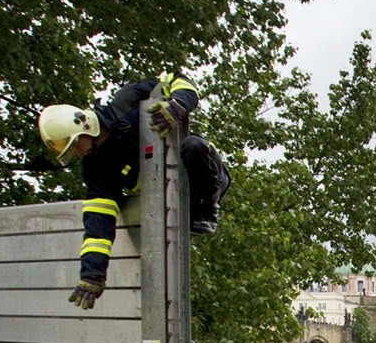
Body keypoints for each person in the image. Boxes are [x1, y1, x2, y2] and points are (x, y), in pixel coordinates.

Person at [37, 71, 232, 310]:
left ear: (83, 126)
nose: (77, 152)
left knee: (192, 146)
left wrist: (178, 104)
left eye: (75, 144)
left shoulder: (128, 101)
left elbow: (179, 79)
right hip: (164, 202)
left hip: (202, 176)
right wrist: (93, 274)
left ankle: (206, 212)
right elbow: (98, 224)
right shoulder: (97, 168)